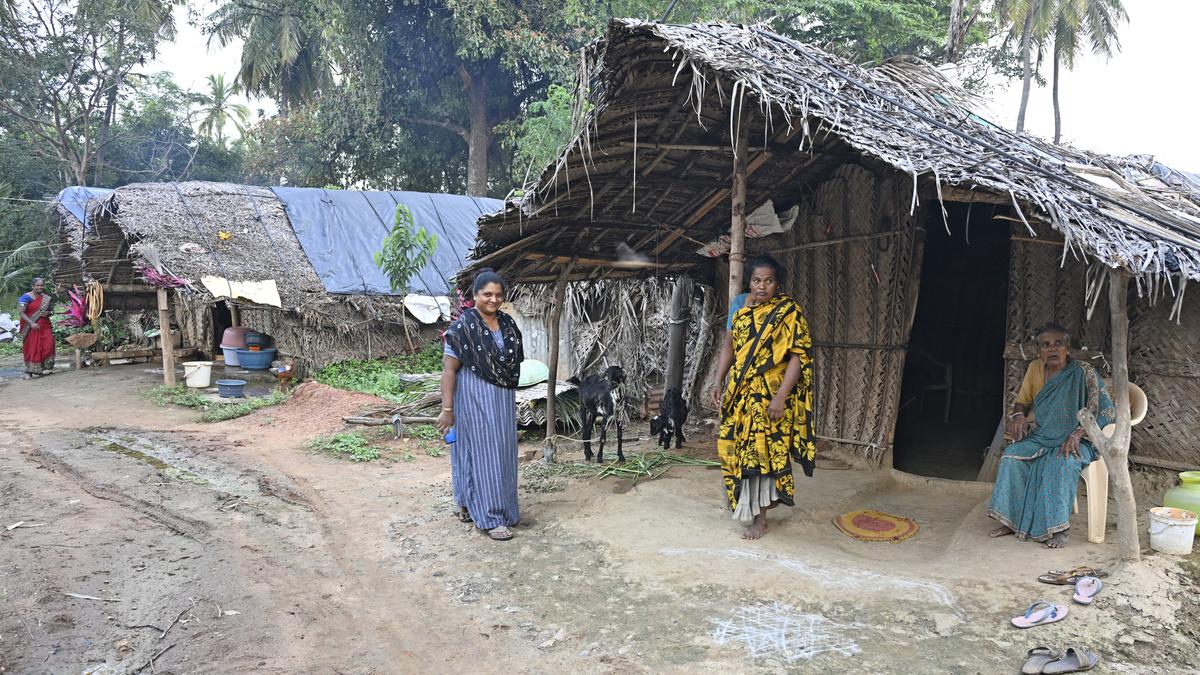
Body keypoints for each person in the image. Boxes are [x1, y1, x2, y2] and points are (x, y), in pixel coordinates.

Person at [711, 254, 816, 540]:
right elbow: (730, 348)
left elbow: (798, 356)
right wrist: (719, 380)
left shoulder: (789, 312)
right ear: (749, 282)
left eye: (768, 281)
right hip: (742, 396)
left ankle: (761, 520)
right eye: (757, 280)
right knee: (737, 450)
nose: (762, 286)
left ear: (778, 284)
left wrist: (781, 397)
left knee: (763, 455)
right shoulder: (742, 312)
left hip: (770, 398)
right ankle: (755, 504)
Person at [988, 322, 1114, 548]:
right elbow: (1022, 403)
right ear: (1039, 351)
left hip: (1077, 439)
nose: (1052, 349)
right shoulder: (1035, 369)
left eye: (1058, 344)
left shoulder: (1084, 373)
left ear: (1068, 349)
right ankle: (1011, 520)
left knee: (1061, 463)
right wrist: (1018, 417)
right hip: (1043, 436)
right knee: (1012, 455)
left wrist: (1079, 432)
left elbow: (1106, 410)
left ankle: (1058, 528)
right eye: (1046, 345)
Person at [437, 268, 524, 542]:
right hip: (473, 398)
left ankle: (466, 503)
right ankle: (492, 517)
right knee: (484, 454)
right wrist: (447, 409)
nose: (493, 300)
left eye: (498, 295)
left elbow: (512, 363)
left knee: (501, 453)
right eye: (487, 294)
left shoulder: (508, 325)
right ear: (475, 295)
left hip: (502, 399)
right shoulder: (462, 328)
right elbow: (449, 371)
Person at [17, 277, 55, 380]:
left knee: (49, 344)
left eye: (42, 285)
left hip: (45, 325)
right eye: (37, 285)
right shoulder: (26, 297)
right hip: (31, 327)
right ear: (33, 286)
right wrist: (32, 323)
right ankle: (29, 371)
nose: (40, 287)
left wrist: (48, 313)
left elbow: (52, 311)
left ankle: (41, 368)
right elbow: (21, 312)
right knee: (32, 348)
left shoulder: (46, 298)